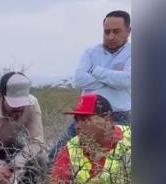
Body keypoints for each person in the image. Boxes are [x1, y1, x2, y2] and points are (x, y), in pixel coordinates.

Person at [48, 10, 131, 164]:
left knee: (117, 163)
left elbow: (126, 80)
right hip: (86, 114)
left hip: (118, 116)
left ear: (128, 31)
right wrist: (112, 77)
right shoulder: (91, 52)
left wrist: (94, 70)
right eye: (107, 32)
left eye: (116, 31)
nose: (111, 36)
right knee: (57, 155)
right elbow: (79, 80)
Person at [45, 94, 131, 184]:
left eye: (85, 119)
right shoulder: (70, 149)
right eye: (76, 119)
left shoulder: (131, 139)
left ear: (107, 119)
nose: (77, 126)